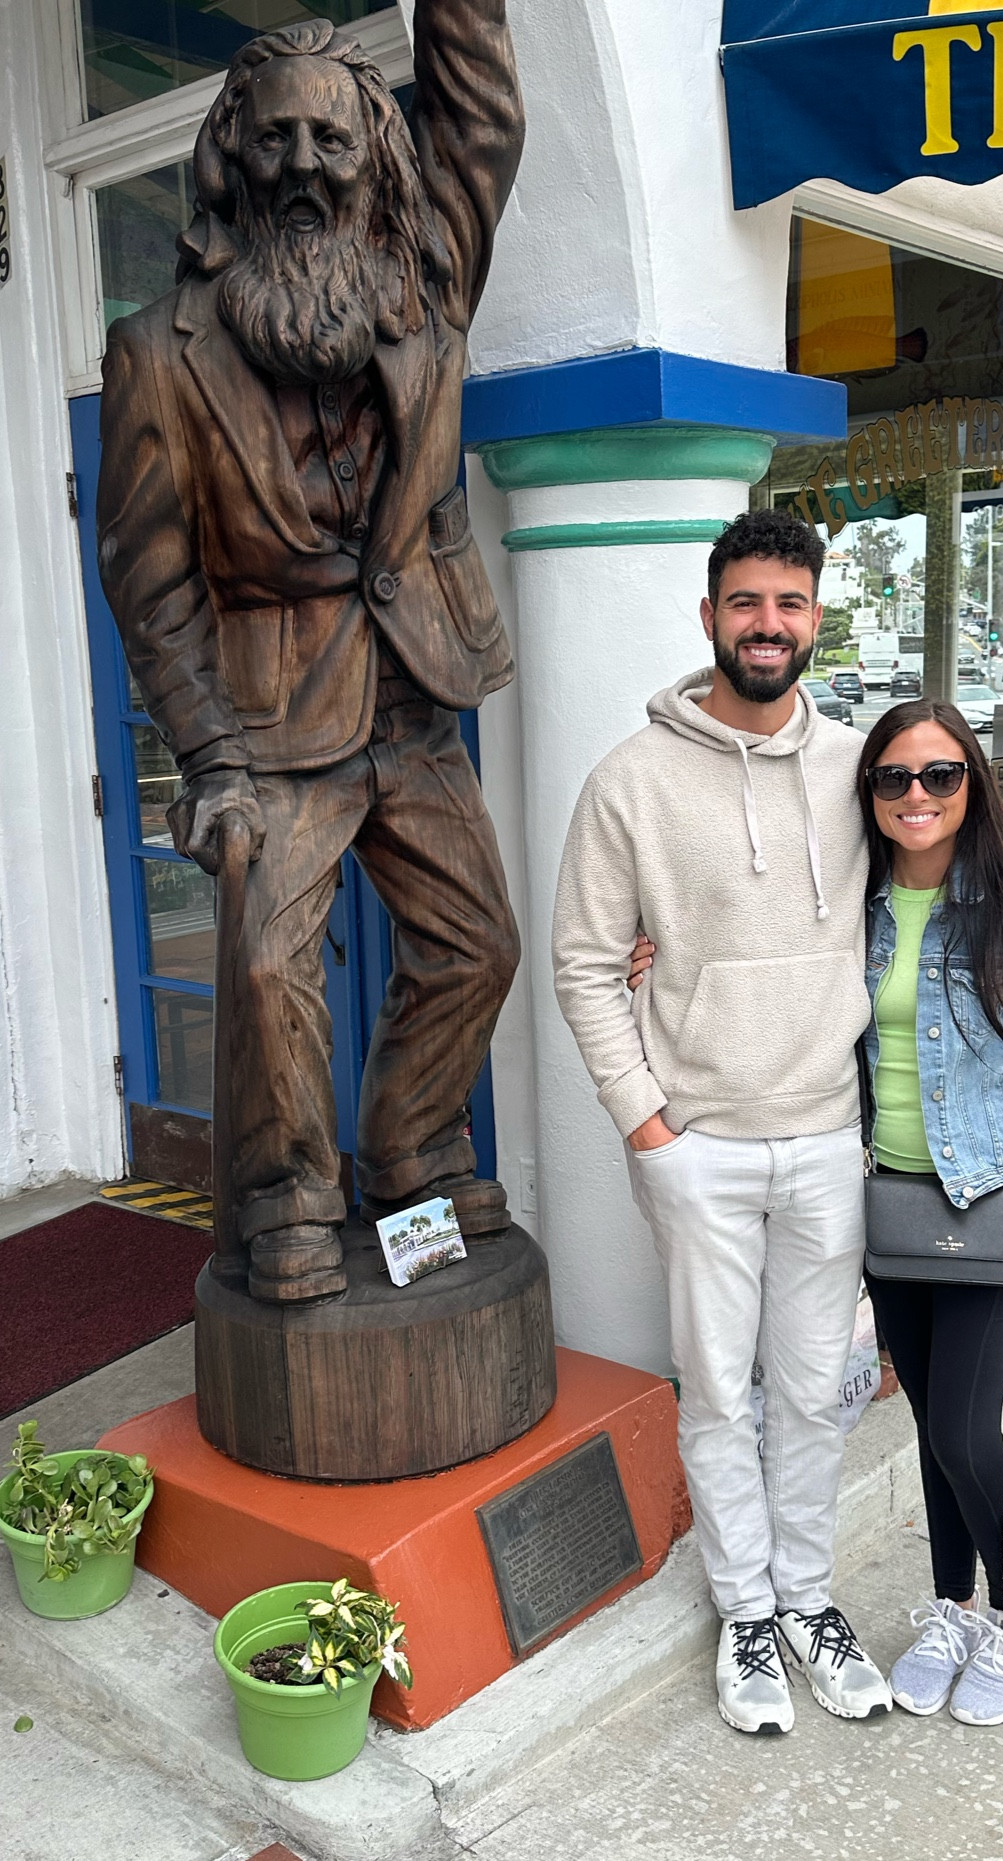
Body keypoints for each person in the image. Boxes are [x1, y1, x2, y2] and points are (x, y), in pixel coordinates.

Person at [551, 509, 1003, 1737]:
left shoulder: (852, 766)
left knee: (817, 1391)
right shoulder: (629, 783)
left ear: (818, 618)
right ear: (711, 616)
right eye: (747, 603)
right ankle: (746, 1611)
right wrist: (646, 1122)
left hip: (831, 1142)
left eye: (792, 604)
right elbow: (585, 964)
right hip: (697, 1138)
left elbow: (948, 856)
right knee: (718, 1389)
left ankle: (809, 1599)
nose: (770, 625)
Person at [96, 2, 525, 1300]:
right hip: (272, 723)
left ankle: (412, 1154)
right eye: (270, 138)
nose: (299, 166)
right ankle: (284, 1203)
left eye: (329, 141)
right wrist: (209, 758)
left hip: (418, 699)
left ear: (374, 153)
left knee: (478, 946)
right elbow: (148, 583)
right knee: (272, 962)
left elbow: (484, 117)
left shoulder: (427, 277)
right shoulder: (156, 356)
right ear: (229, 154)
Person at [856, 699, 1003, 1727]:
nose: (918, 796)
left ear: (973, 784)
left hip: (991, 1201)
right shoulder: (852, 899)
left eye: (941, 775)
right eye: (896, 778)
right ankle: (954, 1607)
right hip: (890, 1207)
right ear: (869, 793)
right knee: (927, 1418)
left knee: (965, 1424)